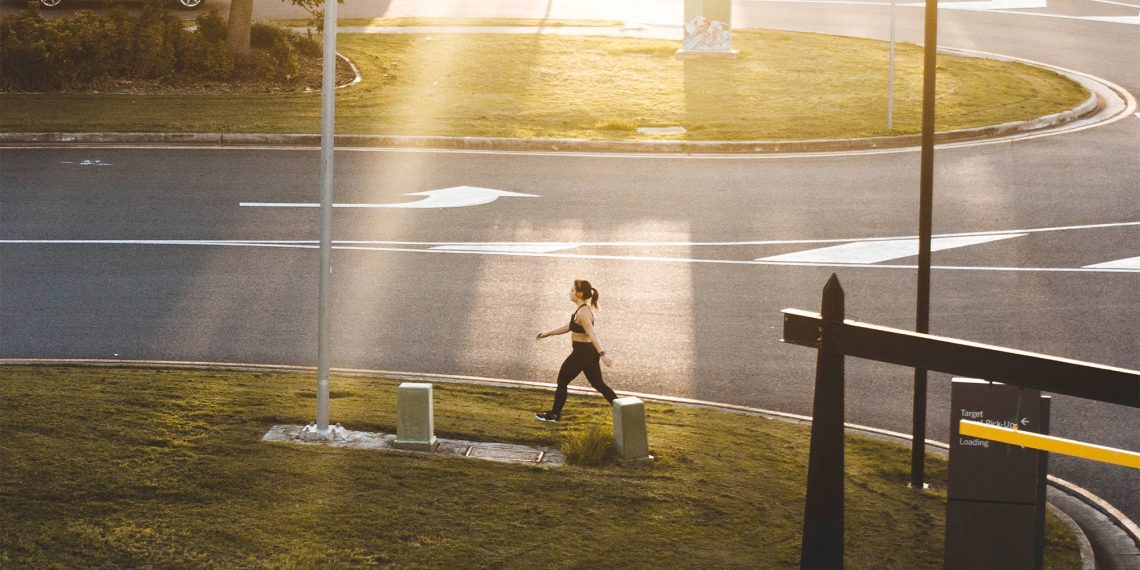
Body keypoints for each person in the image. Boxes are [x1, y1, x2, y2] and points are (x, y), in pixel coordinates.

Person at [535, 279, 616, 423]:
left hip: (582, 353)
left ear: (579, 294)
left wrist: (602, 354)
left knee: (562, 380)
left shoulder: (583, 313)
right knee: (598, 384)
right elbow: (569, 327)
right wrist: (548, 333)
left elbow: (592, 334)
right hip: (587, 353)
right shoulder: (581, 310)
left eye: (572, 291)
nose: (569, 293)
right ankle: (623, 410)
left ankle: (554, 415)